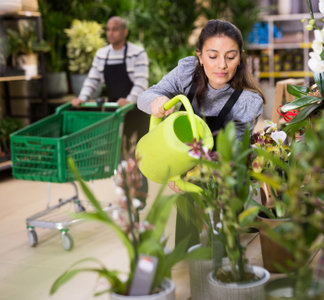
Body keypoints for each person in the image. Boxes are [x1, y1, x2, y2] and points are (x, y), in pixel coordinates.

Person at [137, 19, 265, 246]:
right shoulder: (187, 73)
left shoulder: (247, 100)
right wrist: (157, 102)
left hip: (225, 175)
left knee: (223, 244)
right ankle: (186, 257)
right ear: (200, 56)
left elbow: (234, 153)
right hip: (188, 163)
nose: (222, 65)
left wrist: (191, 173)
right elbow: (145, 96)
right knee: (188, 239)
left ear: (241, 57)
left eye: (231, 56)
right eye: (213, 56)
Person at [72, 16, 150, 147]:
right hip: (114, 110)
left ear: (125, 32)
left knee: (137, 152)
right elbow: (92, 80)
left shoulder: (137, 53)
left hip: (136, 111)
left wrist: (129, 101)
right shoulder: (102, 54)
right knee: (114, 150)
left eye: (115, 29)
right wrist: (82, 98)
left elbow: (141, 82)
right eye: (108, 29)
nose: (110, 33)